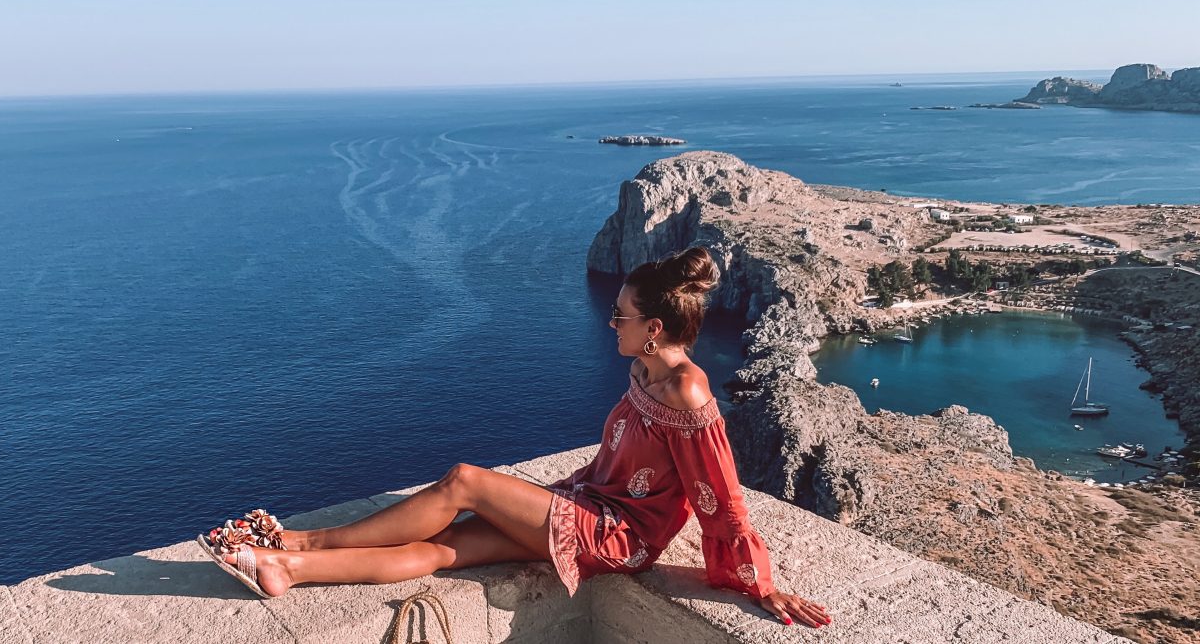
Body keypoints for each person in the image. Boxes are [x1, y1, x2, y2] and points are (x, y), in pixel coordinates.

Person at [197, 246, 832, 628]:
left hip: (617, 535)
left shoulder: (688, 394)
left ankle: (299, 538)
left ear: (656, 327)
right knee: (447, 548)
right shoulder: (644, 367)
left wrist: (760, 581)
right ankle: (289, 569)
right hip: (589, 505)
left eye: (622, 315)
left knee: (465, 482)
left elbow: (722, 497)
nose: (611, 322)